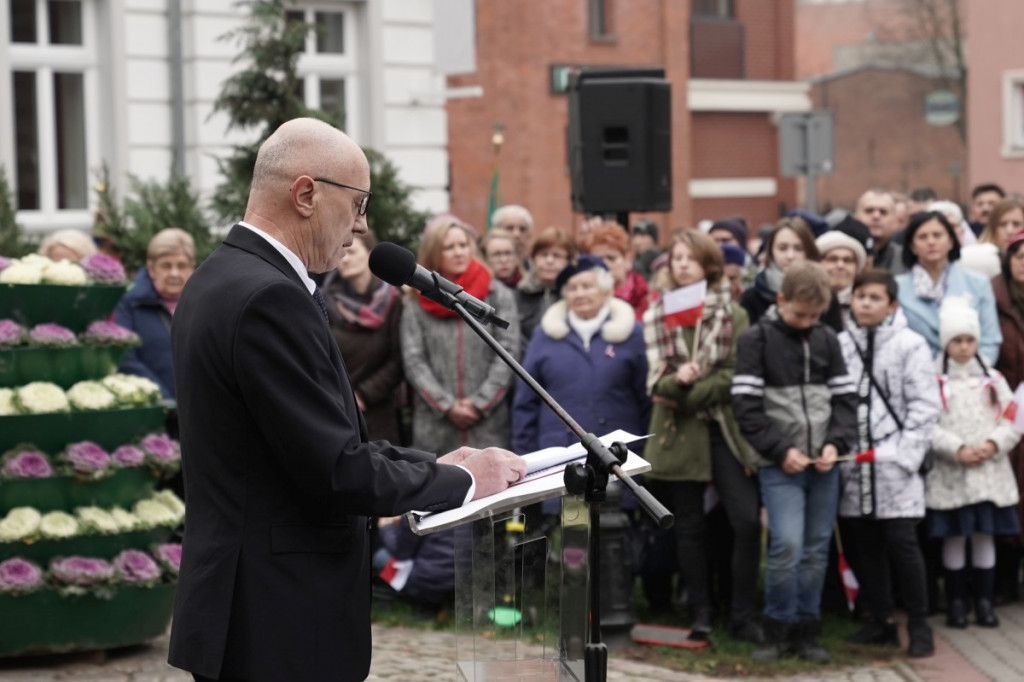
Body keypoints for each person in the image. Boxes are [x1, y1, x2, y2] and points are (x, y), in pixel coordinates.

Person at [166, 118, 526, 682]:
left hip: (251, 603)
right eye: (357, 204)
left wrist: (433, 465)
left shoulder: (219, 276)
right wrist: (467, 482)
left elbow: (310, 446)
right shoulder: (268, 298)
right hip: (278, 616)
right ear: (306, 194)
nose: (360, 227)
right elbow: (336, 470)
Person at [732, 260, 857, 663]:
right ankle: (777, 627)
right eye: (799, 314)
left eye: (815, 316)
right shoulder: (757, 339)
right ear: (781, 299)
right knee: (786, 544)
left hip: (824, 462)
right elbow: (746, 407)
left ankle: (807, 628)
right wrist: (781, 450)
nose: (806, 322)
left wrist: (836, 444)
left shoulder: (828, 338)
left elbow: (845, 401)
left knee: (817, 548)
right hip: (780, 463)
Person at [643, 230, 763, 643]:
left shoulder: (734, 312)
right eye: (675, 257)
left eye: (690, 258)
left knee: (746, 521)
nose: (681, 265)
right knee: (689, 527)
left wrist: (689, 392)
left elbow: (734, 374)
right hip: (679, 434)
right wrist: (677, 381)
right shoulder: (659, 313)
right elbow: (657, 384)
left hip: (723, 429)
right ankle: (701, 613)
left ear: (709, 265)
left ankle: (743, 614)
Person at [837, 269, 940, 658]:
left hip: (896, 465)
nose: (865, 303)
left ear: (892, 304)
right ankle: (880, 621)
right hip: (854, 466)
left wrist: (905, 456)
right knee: (866, 546)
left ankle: (919, 625)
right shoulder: (841, 344)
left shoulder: (910, 345)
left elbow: (925, 405)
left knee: (903, 545)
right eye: (859, 296)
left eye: (874, 297)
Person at [511, 255, 649, 518]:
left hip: (620, 457)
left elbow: (645, 399)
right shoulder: (545, 335)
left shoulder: (632, 333)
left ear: (606, 289)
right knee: (568, 548)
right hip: (560, 461)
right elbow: (525, 404)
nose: (580, 293)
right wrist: (525, 460)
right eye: (572, 288)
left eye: (587, 286)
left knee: (616, 542)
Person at [927, 296, 1021, 629]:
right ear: (945, 343)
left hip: (989, 472)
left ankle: (984, 600)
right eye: (956, 340)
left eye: (969, 340)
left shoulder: (993, 380)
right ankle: (955, 601)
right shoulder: (934, 383)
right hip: (952, 473)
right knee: (956, 536)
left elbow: (1012, 419)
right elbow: (927, 425)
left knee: (984, 535)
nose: (964, 347)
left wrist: (994, 444)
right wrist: (957, 449)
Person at [401, 215, 520, 454]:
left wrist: (479, 404)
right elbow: (414, 361)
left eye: (463, 245)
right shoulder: (416, 302)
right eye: (449, 247)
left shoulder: (497, 294)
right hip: (436, 427)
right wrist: (447, 406)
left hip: (487, 425)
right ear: (435, 252)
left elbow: (508, 351)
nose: (459, 253)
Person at [319, 229, 404, 443]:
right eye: (342, 253)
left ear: (370, 254)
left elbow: (399, 359)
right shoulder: (325, 299)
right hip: (335, 406)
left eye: (353, 252)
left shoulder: (394, 301)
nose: (346, 260)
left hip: (378, 411)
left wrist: (364, 395)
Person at [895, 211, 1002, 363]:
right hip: (917, 374)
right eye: (922, 237)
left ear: (951, 241)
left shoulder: (978, 283)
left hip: (970, 377)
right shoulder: (897, 287)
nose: (931, 242)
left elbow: (990, 340)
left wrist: (973, 374)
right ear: (912, 246)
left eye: (937, 235)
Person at [114, 228, 196, 400]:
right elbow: (125, 359)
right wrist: (165, 400)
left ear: (192, 267)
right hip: (156, 411)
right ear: (151, 269)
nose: (174, 273)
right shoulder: (130, 304)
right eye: (166, 265)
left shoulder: (204, 303)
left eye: (181, 266)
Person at [992, 230, 1024, 601]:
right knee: (1008, 495)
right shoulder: (995, 298)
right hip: (1004, 408)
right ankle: (1002, 580)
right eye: (1019, 257)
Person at [740, 216, 820, 325]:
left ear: (809, 251)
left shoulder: (824, 292)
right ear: (771, 251)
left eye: (798, 248)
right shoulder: (752, 296)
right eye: (782, 248)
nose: (790, 256)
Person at [515, 226, 576, 345]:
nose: (549, 261)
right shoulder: (518, 295)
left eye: (557, 256)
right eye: (543, 255)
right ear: (533, 259)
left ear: (569, 261)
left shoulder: (575, 296)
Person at [583, 221, 650, 319]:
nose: (605, 264)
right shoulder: (581, 301)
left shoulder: (648, 298)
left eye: (611, 258)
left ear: (628, 260)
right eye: (598, 259)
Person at [815, 230, 867, 328]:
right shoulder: (807, 301)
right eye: (832, 259)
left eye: (847, 260)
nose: (840, 265)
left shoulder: (866, 302)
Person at [853, 189, 906, 274]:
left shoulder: (906, 260)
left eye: (883, 212)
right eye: (869, 211)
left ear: (895, 221)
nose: (876, 216)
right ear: (855, 218)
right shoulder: (841, 257)